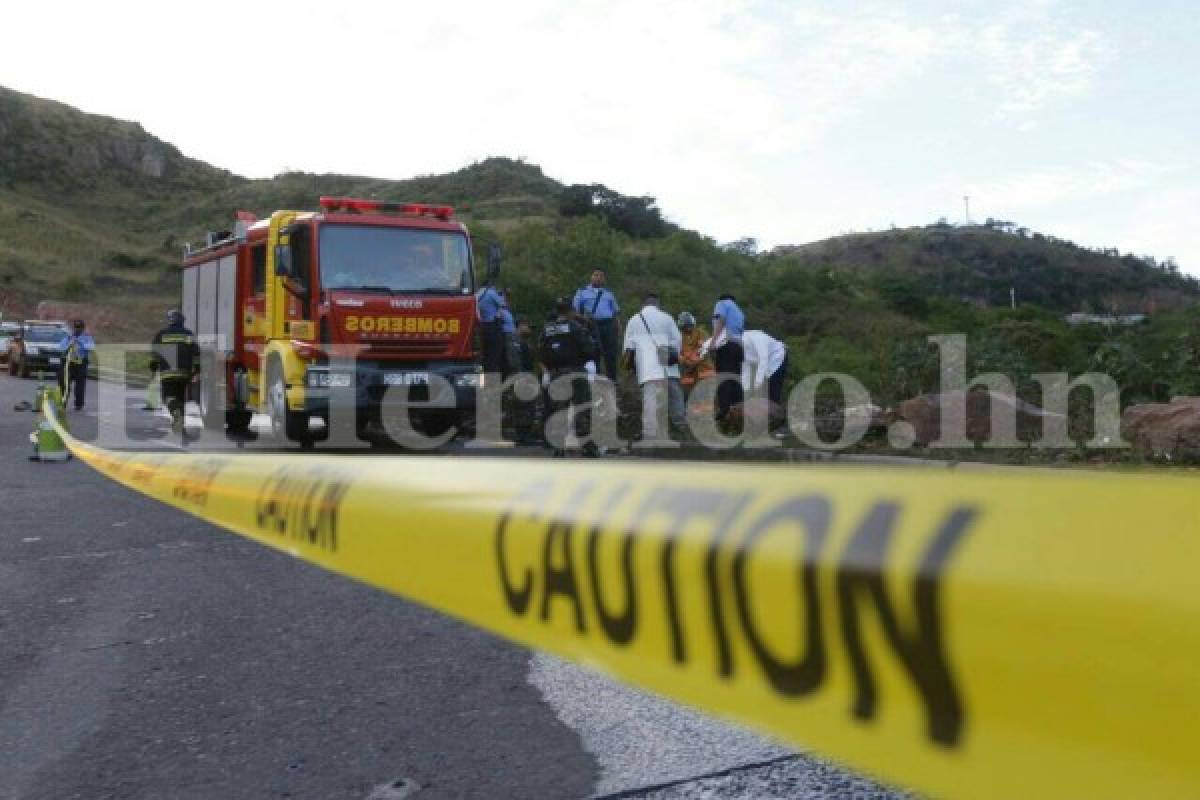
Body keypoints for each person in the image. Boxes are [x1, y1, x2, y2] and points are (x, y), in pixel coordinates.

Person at [539, 298, 599, 457]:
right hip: (576, 372)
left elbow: (541, 353)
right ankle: (587, 447)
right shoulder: (575, 327)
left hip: (556, 374)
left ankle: (558, 447)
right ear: (571, 311)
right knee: (582, 408)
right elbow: (590, 349)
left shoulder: (547, 329)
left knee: (559, 410)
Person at [622, 292, 685, 441]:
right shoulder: (667, 318)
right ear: (657, 304)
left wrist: (631, 366)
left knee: (650, 399)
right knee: (675, 396)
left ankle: (650, 432)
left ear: (643, 304)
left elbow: (628, 348)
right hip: (668, 366)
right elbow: (677, 341)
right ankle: (680, 427)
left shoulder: (634, 320)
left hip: (647, 368)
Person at [151, 309, 200, 432]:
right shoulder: (189, 335)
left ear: (170, 321)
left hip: (167, 373)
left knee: (168, 397)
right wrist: (197, 370)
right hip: (185, 373)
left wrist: (154, 367)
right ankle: (180, 426)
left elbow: (155, 354)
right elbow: (197, 354)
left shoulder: (161, 335)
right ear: (182, 321)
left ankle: (176, 414)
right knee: (180, 397)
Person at [572, 268, 620, 380]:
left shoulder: (608, 293)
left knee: (611, 354)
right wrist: (584, 320)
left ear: (604, 279)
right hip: (591, 325)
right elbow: (575, 311)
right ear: (591, 277)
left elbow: (615, 312)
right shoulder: (582, 291)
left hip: (608, 325)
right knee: (594, 353)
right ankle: (596, 379)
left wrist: (617, 325)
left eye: (601, 276)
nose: (598, 278)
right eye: (596, 275)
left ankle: (612, 380)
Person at [740, 329, 789, 433]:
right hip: (766, 364)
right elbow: (746, 368)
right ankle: (763, 424)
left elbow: (763, 359)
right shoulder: (740, 347)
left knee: (773, 393)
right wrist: (745, 389)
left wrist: (758, 383)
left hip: (778, 358)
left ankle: (781, 426)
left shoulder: (757, 337)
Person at [709, 293, 746, 421]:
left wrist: (713, 341)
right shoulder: (739, 311)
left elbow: (721, 320)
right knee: (736, 378)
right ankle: (738, 408)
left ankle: (724, 409)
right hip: (738, 346)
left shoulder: (722, 304)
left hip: (726, 345)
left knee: (723, 378)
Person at [57, 319, 95, 411]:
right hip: (68, 363)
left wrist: (80, 342)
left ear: (83, 328)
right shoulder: (68, 337)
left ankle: (79, 404)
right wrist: (70, 343)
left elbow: (91, 347)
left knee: (80, 385)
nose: (77, 329)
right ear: (73, 328)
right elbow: (61, 348)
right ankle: (62, 402)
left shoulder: (87, 337)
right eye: (76, 327)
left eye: (79, 328)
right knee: (64, 382)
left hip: (81, 364)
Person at [676, 311, 715, 397]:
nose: (688, 328)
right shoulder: (679, 337)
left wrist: (690, 362)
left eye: (689, 325)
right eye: (685, 326)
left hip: (704, 371)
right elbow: (678, 354)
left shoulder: (701, 333)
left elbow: (703, 350)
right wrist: (684, 361)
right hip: (688, 374)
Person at [476, 282, 505, 375]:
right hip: (493, 326)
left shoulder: (476, 295)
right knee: (494, 356)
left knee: (484, 355)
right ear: (489, 286)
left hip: (482, 327)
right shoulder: (490, 292)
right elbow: (503, 304)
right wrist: (501, 295)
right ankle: (493, 383)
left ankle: (483, 381)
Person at [497, 290, 520, 378]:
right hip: (506, 335)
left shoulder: (507, 311)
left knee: (513, 359)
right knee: (510, 361)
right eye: (506, 296)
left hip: (511, 335)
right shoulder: (501, 308)